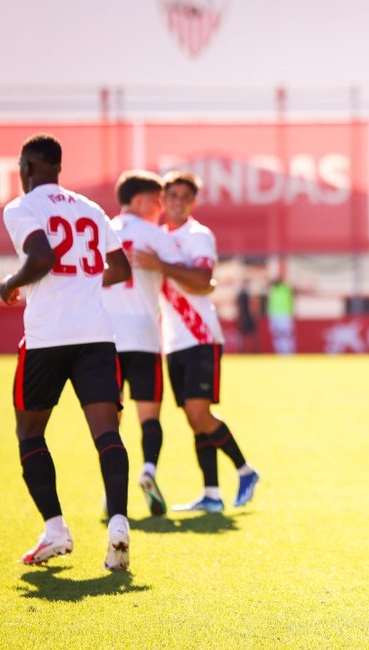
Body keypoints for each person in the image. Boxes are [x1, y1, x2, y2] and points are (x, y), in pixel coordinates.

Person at [0, 134, 133, 570]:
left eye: (21, 166)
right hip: (95, 334)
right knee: (106, 432)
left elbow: (41, 256)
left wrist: (9, 283)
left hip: (47, 336)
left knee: (30, 432)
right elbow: (120, 268)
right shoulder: (90, 208)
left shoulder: (22, 207)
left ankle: (55, 529)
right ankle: (117, 522)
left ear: (31, 165)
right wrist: (82, 285)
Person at [133, 171, 260, 512]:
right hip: (173, 340)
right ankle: (212, 495)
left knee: (199, 412)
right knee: (193, 418)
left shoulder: (198, 235)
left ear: (193, 202)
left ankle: (245, 470)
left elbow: (203, 281)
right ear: (163, 201)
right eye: (171, 196)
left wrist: (161, 264)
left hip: (201, 335)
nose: (177, 202)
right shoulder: (157, 237)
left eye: (184, 197)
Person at [101, 170, 209, 517]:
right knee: (149, 416)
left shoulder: (103, 231)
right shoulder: (155, 236)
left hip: (107, 339)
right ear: (140, 200)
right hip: (146, 337)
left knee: (108, 418)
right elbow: (192, 277)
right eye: (157, 200)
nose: (161, 208)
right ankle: (148, 470)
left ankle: (110, 491)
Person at [266, 274, 296, 354]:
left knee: (285, 334)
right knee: (277, 335)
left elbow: (292, 287)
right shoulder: (273, 290)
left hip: (284, 314)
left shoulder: (285, 288)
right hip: (275, 315)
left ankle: (288, 352)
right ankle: (279, 352)